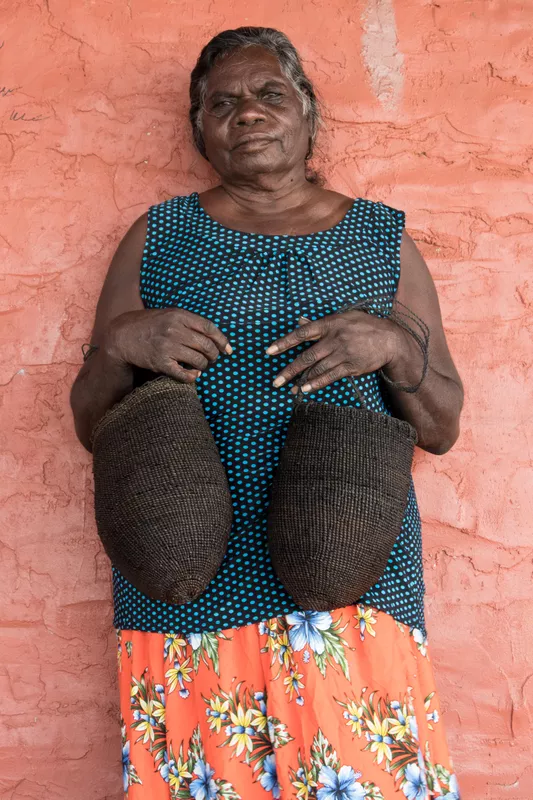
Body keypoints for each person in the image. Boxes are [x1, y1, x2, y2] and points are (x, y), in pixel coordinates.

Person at [70, 26, 464, 800]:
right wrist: (120, 345)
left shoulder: (379, 239)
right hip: (186, 574)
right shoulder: (159, 237)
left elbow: (442, 424)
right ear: (200, 131)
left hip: (348, 572)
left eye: (268, 94)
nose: (246, 113)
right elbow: (90, 422)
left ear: (307, 112)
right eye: (221, 104)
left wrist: (392, 346)